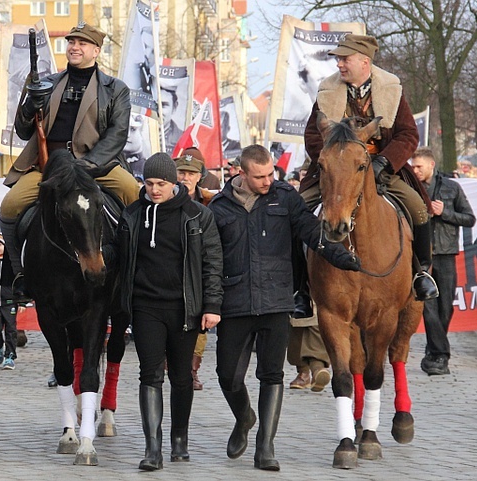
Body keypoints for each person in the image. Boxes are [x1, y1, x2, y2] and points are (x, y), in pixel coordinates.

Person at [208, 145, 361, 471]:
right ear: (242, 173)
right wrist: (209, 303)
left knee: (271, 375)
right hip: (234, 303)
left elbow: (314, 234)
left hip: (277, 301)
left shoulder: (285, 198)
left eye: (271, 173)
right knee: (227, 377)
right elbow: (209, 259)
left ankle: (265, 446)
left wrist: (343, 258)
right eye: (260, 176)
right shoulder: (219, 207)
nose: (268, 180)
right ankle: (244, 416)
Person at [0, 22, 140, 300]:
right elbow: (23, 129)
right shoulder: (47, 82)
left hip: (96, 166)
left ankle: (134, 272)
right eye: (71, 42)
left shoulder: (116, 89)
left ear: (96, 51)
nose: (75, 47)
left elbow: (117, 134)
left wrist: (86, 166)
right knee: (10, 206)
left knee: (135, 196)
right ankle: (17, 274)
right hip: (49, 166)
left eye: (82, 43)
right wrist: (29, 105)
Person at [300, 33, 438, 312]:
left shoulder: (392, 91)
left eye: (344, 59)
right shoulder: (326, 92)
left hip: (383, 170)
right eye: (338, 59)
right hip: (337, 172)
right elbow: (313, 134)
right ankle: (300, 288)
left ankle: (421, 274)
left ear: (364, 62)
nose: (339, 64)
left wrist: (384, 162)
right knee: (297, 213)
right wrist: (334, 163)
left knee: (419, 209)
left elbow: (408, 135)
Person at [108, 153, 222, 470]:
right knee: (150, 373)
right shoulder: (131, 215)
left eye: (162, 183)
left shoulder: (197, 216)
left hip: (185, 307)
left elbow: (212, 264)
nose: (155, 189)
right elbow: (118, 259)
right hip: (145, 306)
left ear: (174, 183)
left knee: (182, 376)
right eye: (149, 183)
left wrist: (212, 306)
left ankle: (179, 440)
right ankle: (152, 448)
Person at [411, 148, 476, 375]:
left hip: (447, 254)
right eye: (413, 166)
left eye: (419, 166)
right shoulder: (411, 188)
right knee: (427, 307)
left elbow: (469, 219)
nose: (415, 170)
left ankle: (433, 351)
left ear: (431, 164)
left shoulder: (452, 187)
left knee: (445, 308)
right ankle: (440, 356)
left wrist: (445, 211)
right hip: (421, 257)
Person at [174, 148, 216, 391]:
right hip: (171, 271)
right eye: (181, 172)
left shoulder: (210, 201)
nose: (185, 178)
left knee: (199, 324)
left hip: (198, 272)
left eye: (191, 173)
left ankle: (192, 370)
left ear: (200, 176)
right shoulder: (164, 198)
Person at [0, 233, 24, 370]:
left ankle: (10, 357)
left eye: (0, 245)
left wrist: (21, 302)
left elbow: (20, 283)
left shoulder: (13, 266)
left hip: (9, 302)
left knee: (11, 330)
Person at [124, 113, 151, 179]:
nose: (128, 135)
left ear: (141, 133)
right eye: (125, 129)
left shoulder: (146, 167)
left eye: (133, 129)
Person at [161, 84, 182, 154]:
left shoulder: (182, 139)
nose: (158, 111)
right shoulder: (133, 136)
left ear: (174, 107)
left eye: (163, 105)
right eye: (153, 104)